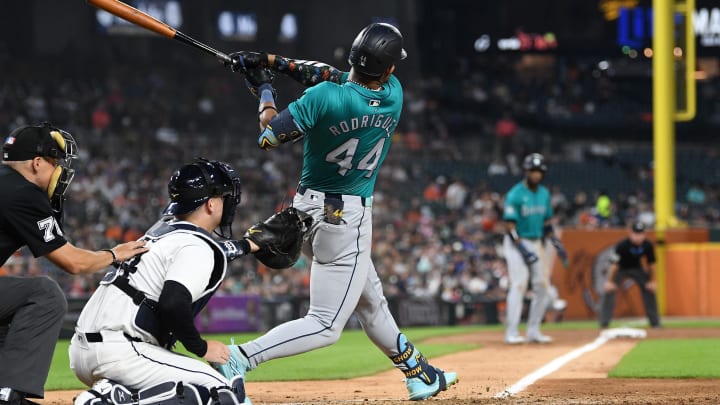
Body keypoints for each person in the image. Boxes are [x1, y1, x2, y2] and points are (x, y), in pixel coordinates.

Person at [220, 22, 458, 401]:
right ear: (388, 69)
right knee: (326, 324)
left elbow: (268, 134)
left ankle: (419, 373)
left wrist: (264, 86)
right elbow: (333, 77)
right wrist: (268, 63)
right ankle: (236, 360)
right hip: (347, 219)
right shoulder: (394, 94)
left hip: (307, 211)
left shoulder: (322, 97)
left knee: (371, 301)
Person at [70, 159, 259, 405]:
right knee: (224, 396)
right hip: (123, 352)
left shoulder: (159, 235)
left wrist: (248, 245)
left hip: (84, 351)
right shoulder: (196, 245)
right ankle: (113, 402)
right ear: (211, 204)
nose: (227, 202)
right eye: (223, 197)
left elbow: (202, 254)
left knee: (182, 385)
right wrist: (201, 348)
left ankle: (123, 393)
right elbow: (173, 303)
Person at [0, 123, 148, 405]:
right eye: (55, 161)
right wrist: (114, 253)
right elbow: (73, 263)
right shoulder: (22, 192)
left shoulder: (6, 183)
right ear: (37, 162)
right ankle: (8, 395)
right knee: (44, 294)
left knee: (8, 315)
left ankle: (5, 390)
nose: (59, 169)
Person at [501, 153, 567, 344]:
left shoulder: (544, 194)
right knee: (519, 284)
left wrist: (555, 241)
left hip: (537, 241)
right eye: (533, 171)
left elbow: (546, 221)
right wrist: (521, 248)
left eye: (539, 171)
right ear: (526, 171)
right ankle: (511, 332)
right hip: (516, 243)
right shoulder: (515, 194)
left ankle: (533, 331)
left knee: (542, 286)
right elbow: (509, 224)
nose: (536, 174)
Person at [598, 221, 661, 329]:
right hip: (620, 269)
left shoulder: (647, 245)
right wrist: (609, 281)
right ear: (631, 233)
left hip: (637, 268)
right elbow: (614, 266)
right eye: (636, 233)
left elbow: (651, 265)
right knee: (609, 290)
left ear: (644, 234)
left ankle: (655, 322)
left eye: (640, 234)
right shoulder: (622, 245)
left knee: (650, 290)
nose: (638, 237)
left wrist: (652, 281)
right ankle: (604, 322)